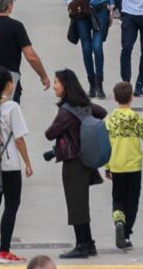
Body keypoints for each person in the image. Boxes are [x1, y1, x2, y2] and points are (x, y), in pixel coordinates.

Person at [44, 69, 108, 259]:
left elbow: (50, 133)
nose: (54, 86)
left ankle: (81, 245)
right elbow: (102, 112)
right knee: (81, 202)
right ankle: (88, 243)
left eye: (56, 82)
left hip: (72, 162)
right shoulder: (84, 105)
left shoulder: (66, 111)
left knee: (75, 204)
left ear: (65, 86)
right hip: (85, 160)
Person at [0, 67, 33, 264]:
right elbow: (19, 139)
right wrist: (27, 162)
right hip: (9, 163)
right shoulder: (12, 108)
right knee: (12, 204)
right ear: (8, 85)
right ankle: (4, 251)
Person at [106, 82, 143, 249]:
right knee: (132, 201)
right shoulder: (137, 118)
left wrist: (107, 166)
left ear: (114, 98)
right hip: (134, 166)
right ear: (132, 97)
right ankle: (126, 233)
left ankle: (118, 220)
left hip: (116, 165)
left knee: (118, 198)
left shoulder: (109, 120)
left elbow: (105, 145)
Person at [70, 0, 115, 98]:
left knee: (97, 46)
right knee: (86, 48)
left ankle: (100, 83)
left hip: (100, 9)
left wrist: (111, 8)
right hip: (82, 10)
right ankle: (91, 83)